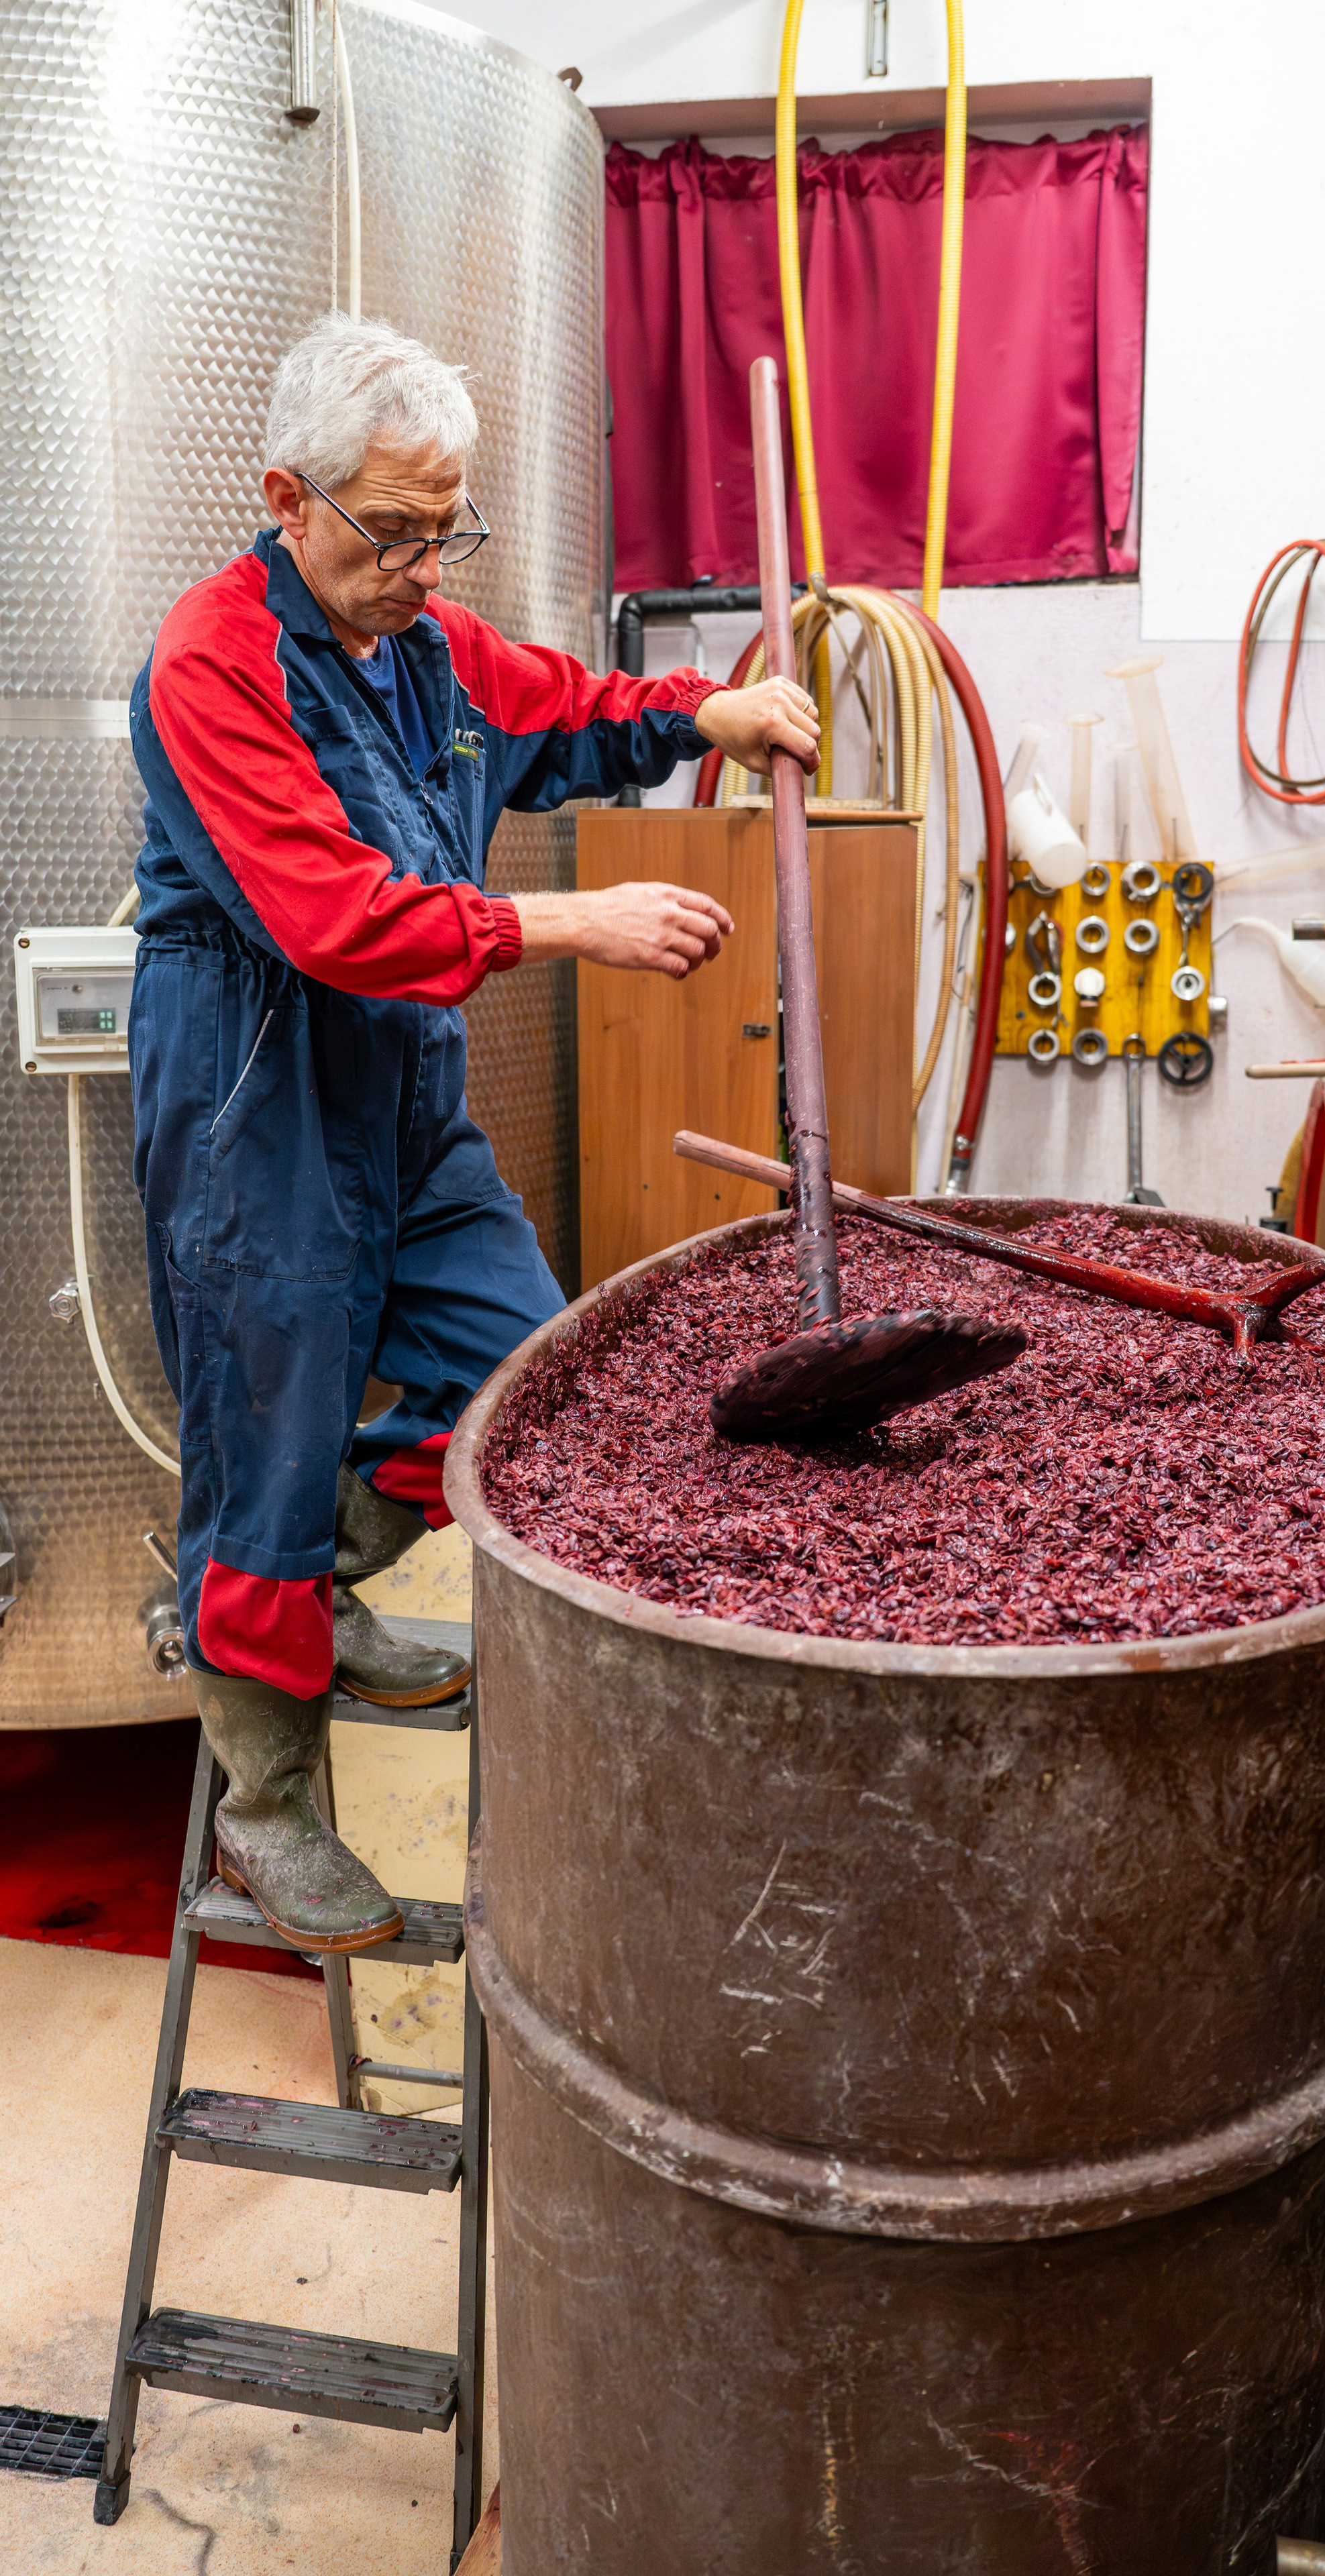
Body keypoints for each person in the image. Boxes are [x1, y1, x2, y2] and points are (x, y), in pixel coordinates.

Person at [129, 316, 818, 1954]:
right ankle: (267, 1812)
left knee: (528, 1371)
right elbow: (331, 916)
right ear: (290, 498)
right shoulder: (212, 662)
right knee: (265, 1452)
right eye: (394, 532)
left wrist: (700, 717)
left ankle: (330, 1581)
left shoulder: (420, 645)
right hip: (259, 1113)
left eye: (451, 530)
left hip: (403, 1108)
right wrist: (575, 922)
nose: (428, 567)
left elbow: (563, 709)